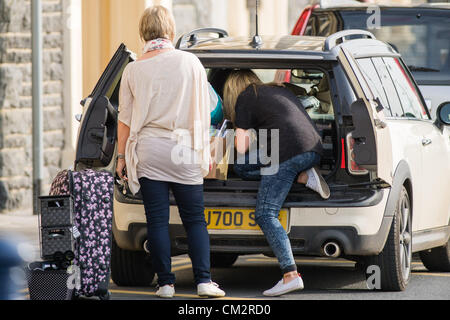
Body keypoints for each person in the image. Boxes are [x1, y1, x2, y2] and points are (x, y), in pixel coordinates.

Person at [116, 6, 225, 299]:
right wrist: (206, 148)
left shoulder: (133, 69)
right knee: (194, 219)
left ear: (143, 32)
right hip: (185, 148)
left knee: (157, 220)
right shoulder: (191, 63)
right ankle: (204, 281)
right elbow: (203, 111)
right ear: (170, 30)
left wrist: (121, 158)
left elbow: (124, 120)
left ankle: (165, 283)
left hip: (150, 150)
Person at [223, 70, 330, 297]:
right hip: (313, 151)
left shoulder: (244, 98)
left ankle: (290, 275)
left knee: (265, 213)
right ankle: (302, 177)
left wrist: (222, 144)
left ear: (232, 90)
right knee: (243, 166)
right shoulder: (277, 89)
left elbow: (240, 149)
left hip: (286, 155)